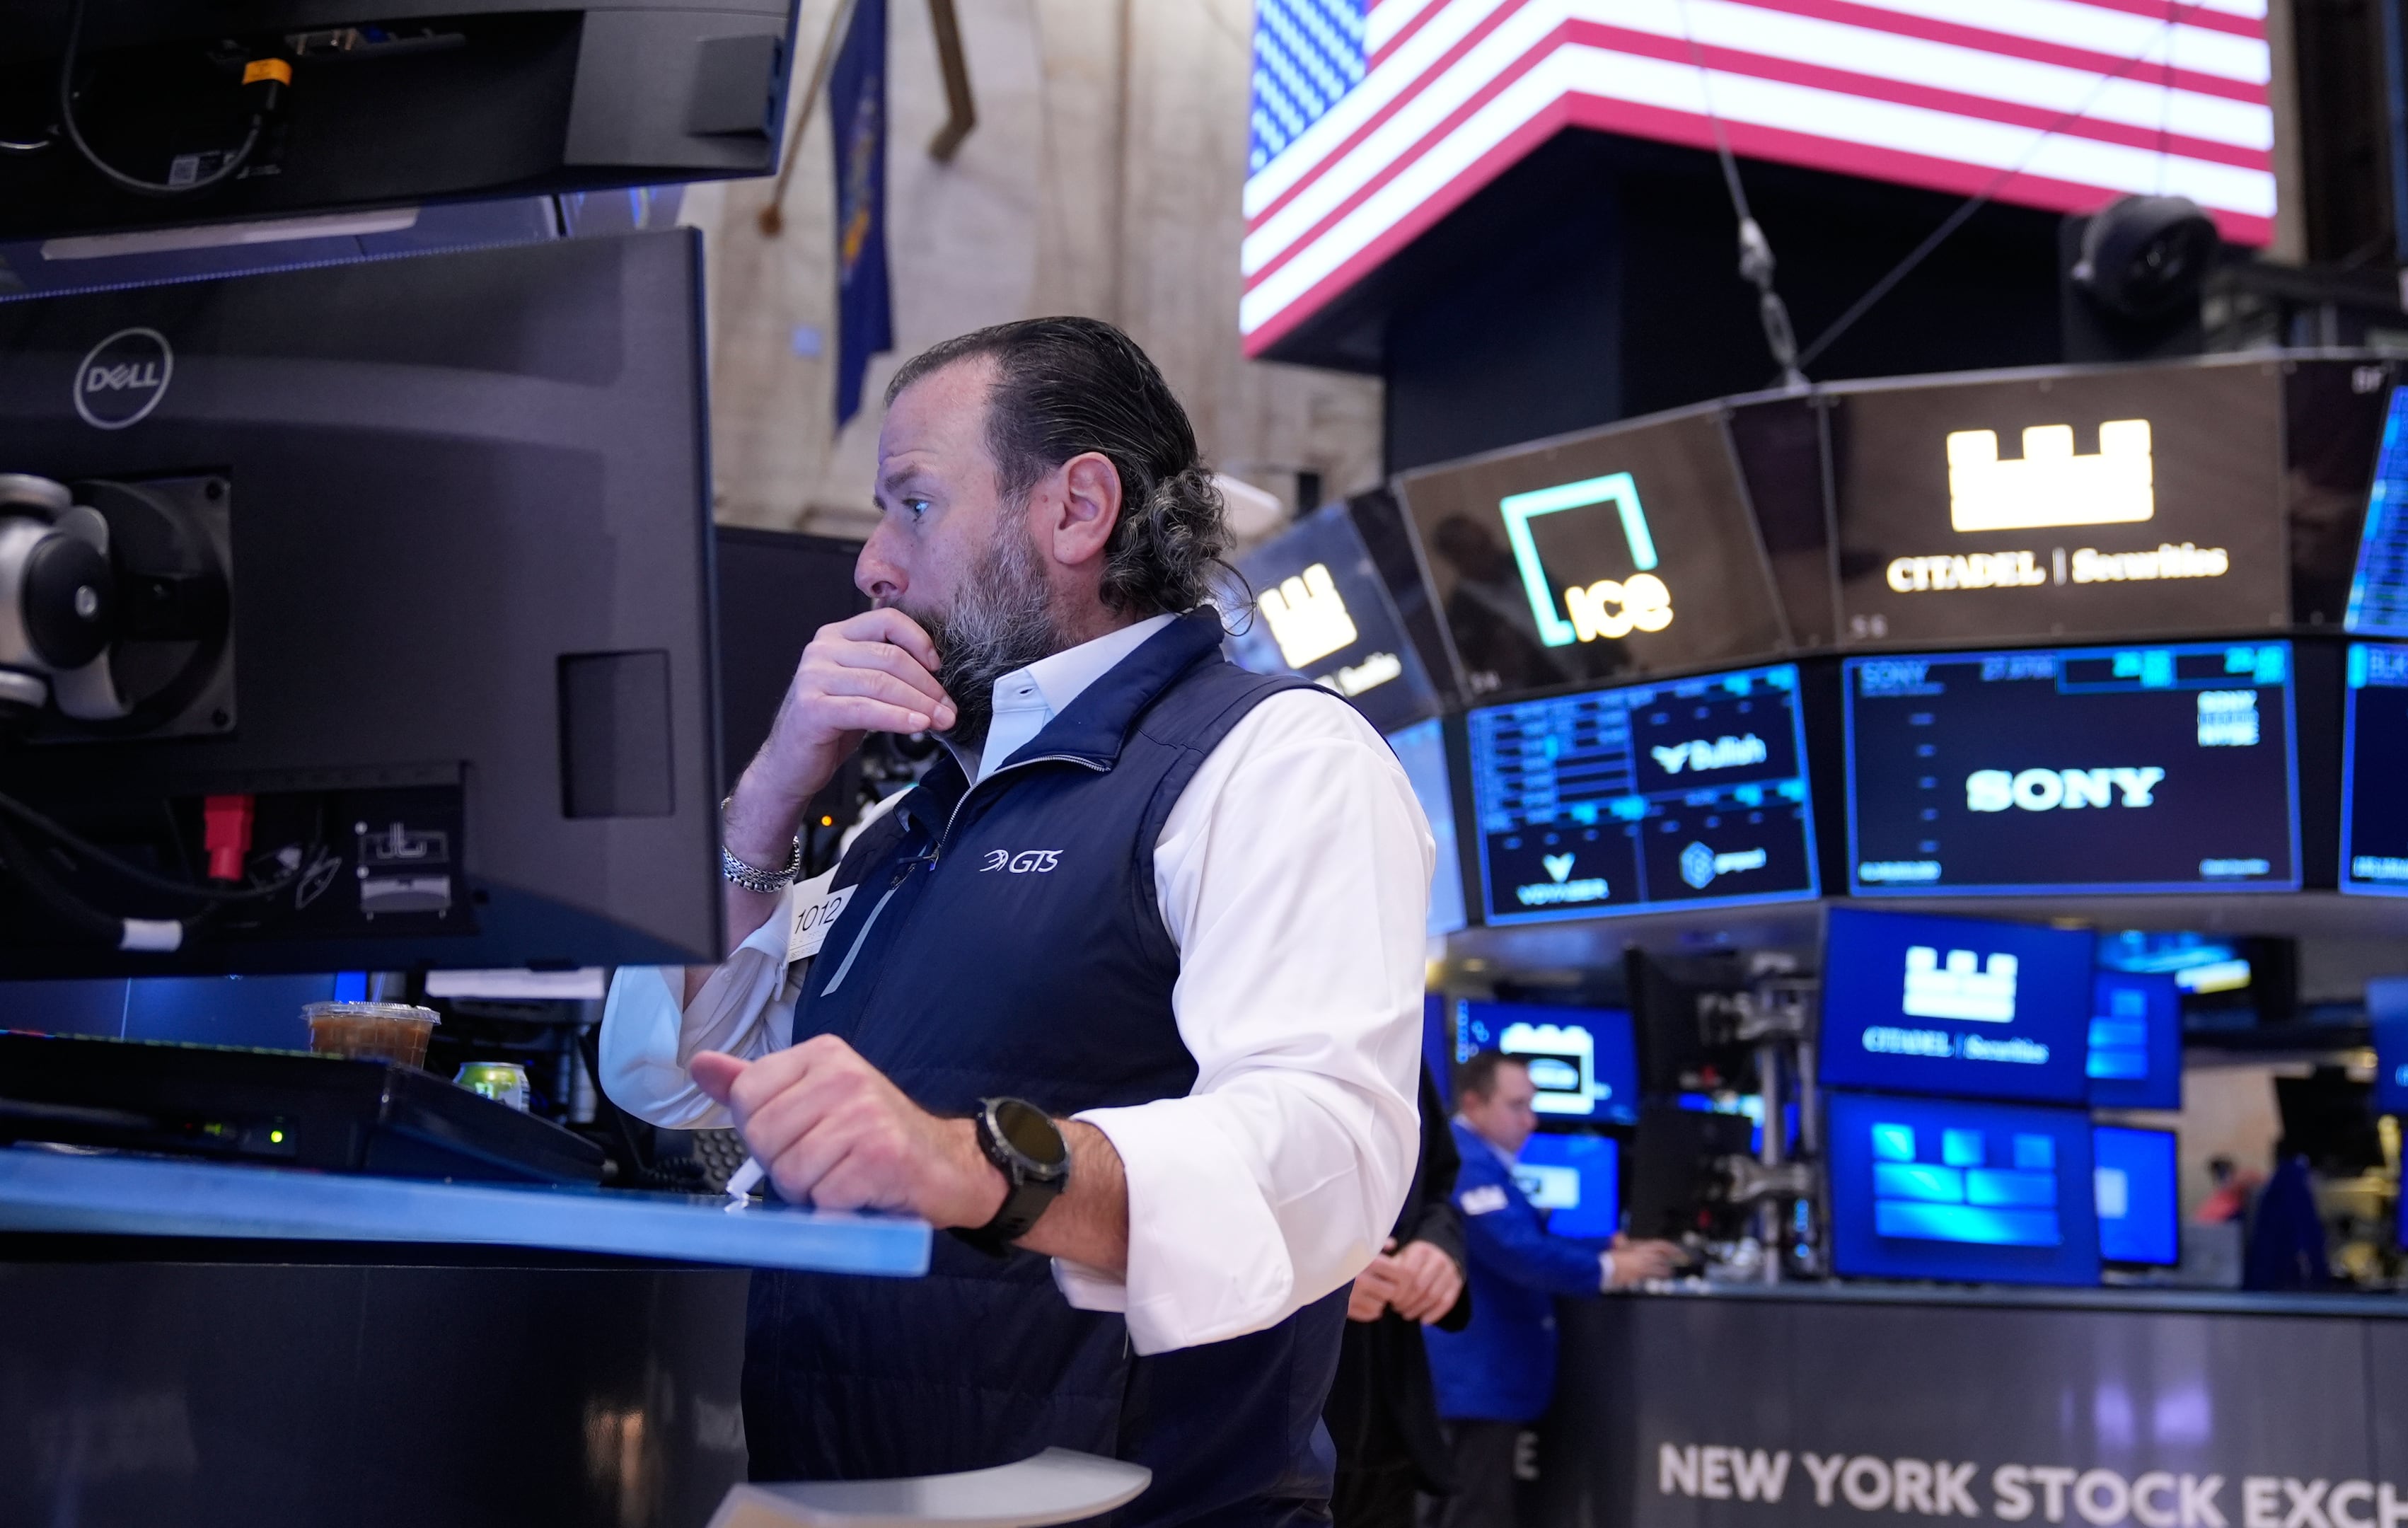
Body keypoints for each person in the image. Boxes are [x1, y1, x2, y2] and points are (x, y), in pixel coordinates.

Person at [598, 318, 1432, 1524]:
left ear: (1078, 509)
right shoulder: (907, 827)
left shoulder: (1276, 758)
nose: (872, 565)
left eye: (914, 506)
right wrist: (772, 792)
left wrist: (981, 1161)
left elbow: (1324, 1160)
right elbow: (665, 1075)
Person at [1423, 1052, 1681, 1528]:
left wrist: (1607, 1244)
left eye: (1531, 1105)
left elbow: (1526, 1240)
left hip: (1484, 1384)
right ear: (1474, 1103)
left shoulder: (1480, 1161)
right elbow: (1516, 1251)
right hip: (1476, 1382)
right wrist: (1607, 1268)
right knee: (1471, 1515)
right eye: (1516, 1105)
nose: (1530, 1119)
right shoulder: (1465, 1163)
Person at [1324, 1065, 1471, 1528]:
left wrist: (1438, 1246)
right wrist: (1311, 1276)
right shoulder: (1212, 1016)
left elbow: (1438, 1185)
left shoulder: (1400, 1040)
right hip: (1266, 1427)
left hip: (1389, 1420)